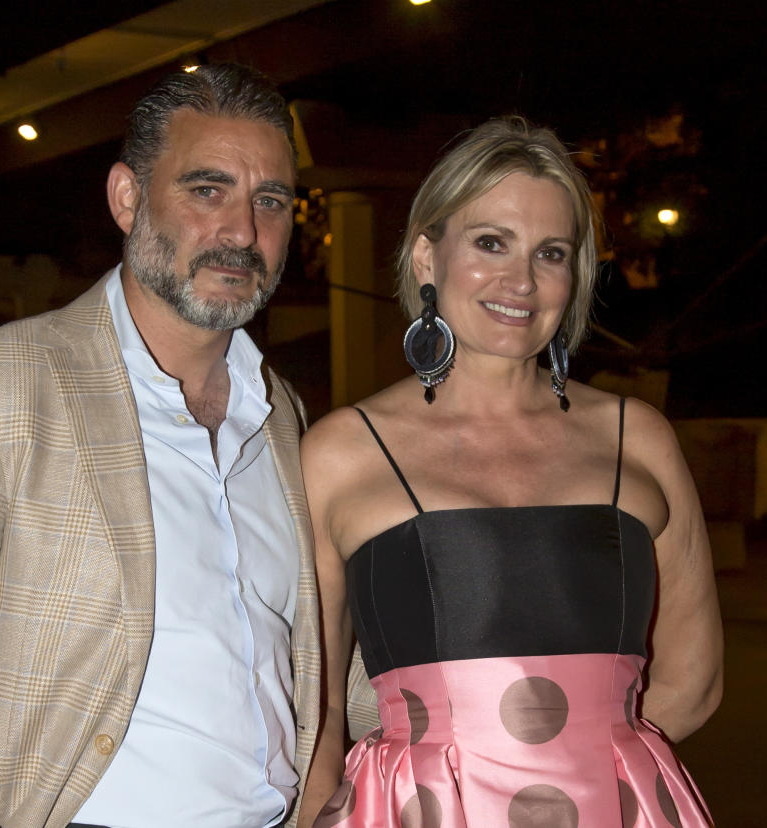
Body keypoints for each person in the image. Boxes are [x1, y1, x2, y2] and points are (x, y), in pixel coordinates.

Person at [0, 63, 342, 828]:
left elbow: (312, 655)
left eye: (269, 201)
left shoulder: (282, 414)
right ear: (127, 198)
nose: (242, 231)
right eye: (207, 191)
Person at [298, 117, 723, 827]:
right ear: (427, 258)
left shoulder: (637, 439)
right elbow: (313, 703)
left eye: (550, 253)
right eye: (491, 242)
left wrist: (576, 779)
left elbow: (694, 680)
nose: (521, 280)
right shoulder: (341, 452)